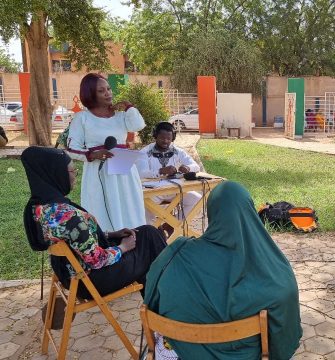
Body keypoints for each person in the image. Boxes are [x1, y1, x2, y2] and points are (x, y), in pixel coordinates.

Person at [144, 181, 302, 359]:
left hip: (179, 352)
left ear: (211, 213)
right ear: (249, 213)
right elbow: (284, 338)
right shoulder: (275, 273)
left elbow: (150, 301)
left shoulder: (175, 254)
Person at [21, 146, 166, 299]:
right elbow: (97, 260)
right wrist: (122, 248)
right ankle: (163, 302)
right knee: (151, 248)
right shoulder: (68, 215)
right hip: (91, 281)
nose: (74, 176)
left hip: (69, 273)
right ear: (56, 175)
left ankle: (158, 304)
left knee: (147, 232)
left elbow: (74, 238)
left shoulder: (39, 207)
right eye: (72, 172)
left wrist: (110, 234)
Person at [66, 73, 146, 231]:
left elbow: (138, 125)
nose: (108, 93)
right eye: (101, 91)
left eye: (109, 89)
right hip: (98, 170)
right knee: (101, 209)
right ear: (91, 94)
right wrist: (92, 154)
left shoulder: (121, 116)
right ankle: (107, 246)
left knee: (129, 206)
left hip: (124, 168)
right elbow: (71, 148)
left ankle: (136, 243)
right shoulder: (82, 118)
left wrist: (128, 106)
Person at [135, 121, 202, 224]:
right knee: (145, 209)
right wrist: (160, 171)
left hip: (175, 190)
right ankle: (155, 231)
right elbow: (141, 173)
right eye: (162, 138)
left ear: (173, 138)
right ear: (155, 136)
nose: (165, 141)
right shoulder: (144, 152)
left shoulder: (177, 151)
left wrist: (187, 168)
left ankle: (172, 224)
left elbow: (196, 166)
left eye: (169, 139)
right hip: (153, 193)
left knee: (197, 199)